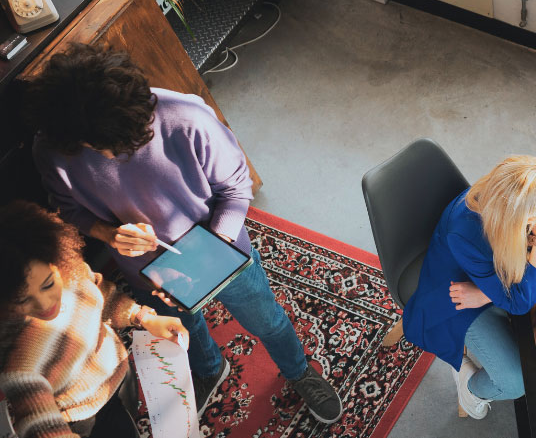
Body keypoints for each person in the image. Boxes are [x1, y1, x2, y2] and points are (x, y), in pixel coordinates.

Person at [23, 44, 342, 423]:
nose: (107, 157)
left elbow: (237, 188)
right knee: (181, 331)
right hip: (145, 273)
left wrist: (207, 257)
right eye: (95, 148)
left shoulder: (187, 116)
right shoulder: (53, 146)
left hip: (222, 254)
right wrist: (108, 234)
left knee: (266, 320)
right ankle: (209, 367)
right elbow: (68, 210)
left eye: (117, 145)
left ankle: (297, 370)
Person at [401, 156, 536, 420]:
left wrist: (485, 294)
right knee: (516, 382)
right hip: (456, 298)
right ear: (529, 215)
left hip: (483, 290)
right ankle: (471, 389)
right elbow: (519, 301)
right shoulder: (466, 233)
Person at [0, 201, 188, 438]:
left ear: (58, 261)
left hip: (118, 372)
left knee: (128, 415)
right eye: (21, 301)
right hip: (82, 414)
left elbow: (101, 295)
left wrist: (142, 317)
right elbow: (37, 421)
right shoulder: (18, 365)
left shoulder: (73, 273)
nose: (45, 304)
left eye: (48, 284)